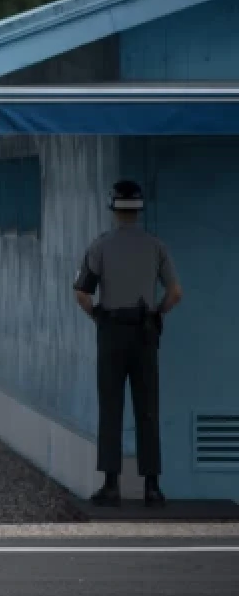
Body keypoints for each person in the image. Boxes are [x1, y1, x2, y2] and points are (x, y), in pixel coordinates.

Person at [73, 180, 183, 508]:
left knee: (111, 407)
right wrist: (156, 314)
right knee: (147, 408)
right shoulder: (156, 246)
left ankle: (111, 485)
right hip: (145, 333)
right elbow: (176, 293)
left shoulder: (101, 246)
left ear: (113, 209)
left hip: (112, 333)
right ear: (139, 209)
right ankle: (152, 486)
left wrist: (99, 318)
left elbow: (81, 293)